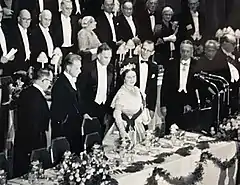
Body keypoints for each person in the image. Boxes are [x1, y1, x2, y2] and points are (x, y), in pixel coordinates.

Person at [13, 69, 53, 177]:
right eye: (49, 81)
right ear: (43, 80)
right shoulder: (35, 96)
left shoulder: (28, 92)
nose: (50, 84)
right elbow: (34, 121)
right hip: (32, 140)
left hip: (25, 138)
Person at [103, 64, 149, 147]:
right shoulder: (122, 92)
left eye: (134, 76)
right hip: (124, 126)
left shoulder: (137, 90)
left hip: (137, 126)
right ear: (124, 79)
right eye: (129, 77)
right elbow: (117, 113)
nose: (132, 80)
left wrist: (144, 120)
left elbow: (141, 108)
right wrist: (122, 131)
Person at [50, 53, 85, 154]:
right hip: (65, 129)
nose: (80, 71)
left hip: (74, 127)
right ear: (68, 67)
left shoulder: (73, 81)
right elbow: (59, 111)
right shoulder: (60, 84)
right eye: (77, 68)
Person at [161, 40, 198, 133]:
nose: (185, 54)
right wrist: (163, 105)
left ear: (192, 52)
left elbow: (199, 87)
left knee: (187, 132)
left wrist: (192, 104)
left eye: (188, 51)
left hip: (189, 104)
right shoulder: (171, 64)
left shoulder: (197, 65)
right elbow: (165, 86)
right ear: (179, 51)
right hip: (172, 102)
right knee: (170, 131)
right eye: (183, 51)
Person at [80, 43, 114, 137]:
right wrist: (84, 111)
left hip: (105, 107)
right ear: (98, 56)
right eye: (105, 57)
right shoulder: (87, 68)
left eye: (110, 57)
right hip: (91, 106)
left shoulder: (111, 68)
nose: (108, 60)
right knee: (91, 135)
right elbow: (81, 91)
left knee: (103, 134)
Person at [121, 40, 158, 115]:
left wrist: (152, 108)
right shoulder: (129, 62)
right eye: (144, 49)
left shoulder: (154, 67)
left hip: (145, 106)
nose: (145, 52)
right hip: (129, 104)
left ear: (152, 52)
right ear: (140, 48)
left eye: (148, 51)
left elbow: (153, 89)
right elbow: (121, 84)